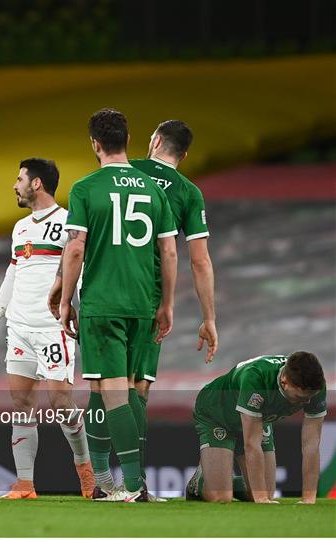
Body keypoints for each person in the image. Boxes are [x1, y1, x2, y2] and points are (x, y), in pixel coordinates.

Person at [51, 108, 178, 502]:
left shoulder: (86, 188)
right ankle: (106, 482)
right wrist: (167, 305)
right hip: (143, 302)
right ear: (128, 139)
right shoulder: (153, 189)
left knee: (112, 391)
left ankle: (135, 486)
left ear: (95, 144)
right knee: (114, 390)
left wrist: (66, 297)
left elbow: (75, 249)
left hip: (103, 302)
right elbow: (169, 252)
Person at [0, 158, 95, 500]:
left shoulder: (69, 222)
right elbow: (13, 272)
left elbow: (79, 268)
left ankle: (86, 472)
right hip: (20, 328)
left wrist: (75, 308)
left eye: (19, 179)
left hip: (52, 327)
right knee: (21, 402)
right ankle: (25, 484)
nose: (15, 185)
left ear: (37, 184)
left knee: (60, 401)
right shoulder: (20, 228)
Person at [129, 119, 218, 486]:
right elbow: (199, 260)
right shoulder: (188, 192)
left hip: (104, 287)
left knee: (105, 381)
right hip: (150, 296)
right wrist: (209, 317)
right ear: (184, 154)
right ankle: (133, 480)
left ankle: (97, 476)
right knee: (139, 385)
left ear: (154, 141)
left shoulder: (123, 171)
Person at [186, 351, 327, 503]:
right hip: (217, 414)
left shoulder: (314, 387)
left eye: (309, 397)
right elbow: (252, 444)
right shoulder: (256, 378)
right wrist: (261, 499)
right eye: (300, 398)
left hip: (257, 418)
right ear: (284, 382)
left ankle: (222, 479)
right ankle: (198, 482)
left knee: (267, 493)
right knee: (221, 497)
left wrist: (308, 499)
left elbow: (311, 445)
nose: (307, 403)